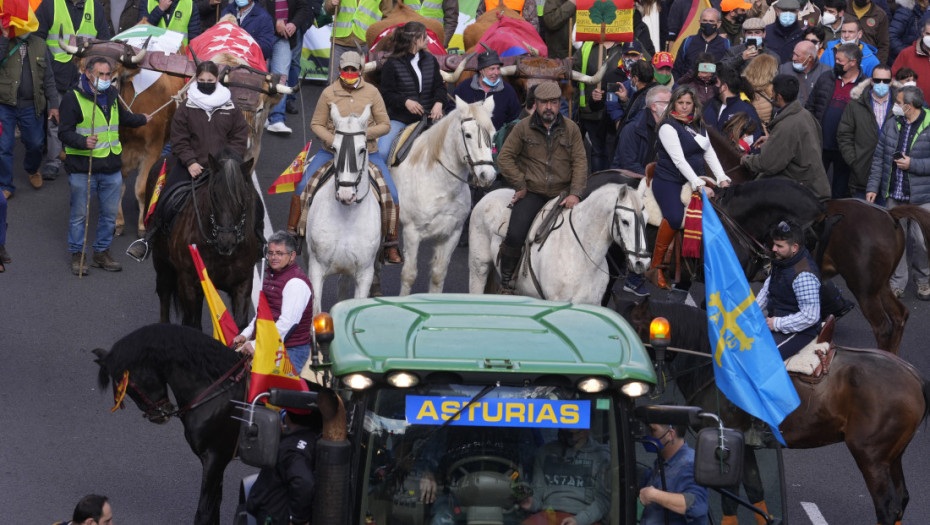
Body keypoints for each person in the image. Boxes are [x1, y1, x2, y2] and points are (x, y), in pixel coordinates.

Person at [127, 60, 251, 261]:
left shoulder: (231, 107)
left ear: (217, 79)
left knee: (247, 197)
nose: (205, 83)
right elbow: (178, 138)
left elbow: (239, 136)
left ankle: (259, 240)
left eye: (209, 80)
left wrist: (227, 163)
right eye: (201, 80)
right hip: (191, 165)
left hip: (223, 168)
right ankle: (149, 239)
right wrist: (191, 161)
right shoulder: (186, 107)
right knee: (165, 196)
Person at [292, 51, 400, 263]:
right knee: (303, 185)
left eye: (354, 69)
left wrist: (359, 137)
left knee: (392, 194)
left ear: (360, 70)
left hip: (367, 152)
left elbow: (385, 125)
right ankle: (293, 234)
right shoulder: (328, 93)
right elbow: (316, 124)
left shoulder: (372, 92)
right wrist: (335, 141)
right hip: (330, 152)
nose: (350, 73)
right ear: (340, 70)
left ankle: (391, 244)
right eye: (346, 69)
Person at [59, 57, 150, 276]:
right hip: (84, 168)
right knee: (80, 215)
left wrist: (143, 119)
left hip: (110, 167)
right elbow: (63, 132)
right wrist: (83, 142)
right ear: (89, 74)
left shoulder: (111, 94)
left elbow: (124, 117)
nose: (106, 79)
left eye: (109, 75)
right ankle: (78, 256)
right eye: (102, 75)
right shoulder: (73, 99)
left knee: (109, 216)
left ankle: (101, 253)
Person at [496, 81, 587, 293]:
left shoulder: (572, 129)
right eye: (544, 102)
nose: (549, 107)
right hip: (533, 192)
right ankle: (507, 280)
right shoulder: (522, 127)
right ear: (535, 103)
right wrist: (519, 184)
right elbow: (505, 157)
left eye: (554, 102)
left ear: (559, 103)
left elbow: (580, 162)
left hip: (563, 194)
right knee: (516, 232)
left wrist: (575, 193)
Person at [646, 85, 732, 290]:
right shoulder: (667, 126)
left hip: (695, 177)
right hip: (669, 181)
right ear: (674, 103)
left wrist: (721, 177)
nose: (684, 107)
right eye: (680, 103)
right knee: (675, 217)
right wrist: (699, 184)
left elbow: (709, 152)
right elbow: (679, 161)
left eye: (688, 103)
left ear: (694, 105)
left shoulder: (699, 124)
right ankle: (656, 266)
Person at [35, 0, 112, 183]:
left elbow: (104, 41)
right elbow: (37, 39)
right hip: (56, 74)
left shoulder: (96, 8)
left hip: (85, 76)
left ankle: (81, 158)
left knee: (83, 120)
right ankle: (53, 162)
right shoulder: (50, 5)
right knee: (55, 119)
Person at [866, 85, 930, 300]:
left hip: (923, 198)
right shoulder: (893, 124)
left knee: (921, 241)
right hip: (895, 195)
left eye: (898, 102)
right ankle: (897, 283)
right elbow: (879, 158)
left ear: (909, 107)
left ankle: (923, 280)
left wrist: (913, 164)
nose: (895, 105)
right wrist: (873, 187)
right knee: (896, 241)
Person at [612, 85, 672, 297]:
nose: (674, 107)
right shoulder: (632, 129)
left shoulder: (669, 128)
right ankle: (634, 278)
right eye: (668, 103)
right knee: (642, 223)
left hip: (655, 184)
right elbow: (629, 165)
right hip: (629, 185)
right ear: (655, 107)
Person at [742, 74, 832, 199]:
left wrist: (745, 159)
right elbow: (801, 141)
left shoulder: (787, 125)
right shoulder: (805, 114)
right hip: (813, 183)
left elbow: (768, 164)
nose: (771, 95)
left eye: (773, 92)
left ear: (779, 96)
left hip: (803, 190)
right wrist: (773, 140)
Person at [234, 231, 315, 370]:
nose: (273, 257)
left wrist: (255, 344)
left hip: (290, 351)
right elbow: (263, 314)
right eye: (270, 253)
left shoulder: (296, 283)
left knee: (273, 390)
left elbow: (287, 324)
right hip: (270, 342)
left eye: (279, 253)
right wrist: (245, 334)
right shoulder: (272, 277)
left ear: (292, 256)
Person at [0, 24, 60, 199]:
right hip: (4, 106)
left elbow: (48, 78)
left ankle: (32, 169)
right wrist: (3, 38)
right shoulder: (4, 41)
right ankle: (6, 184)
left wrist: (54, 105)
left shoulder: (40, 44)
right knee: (4, 147)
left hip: (31, 106)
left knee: (35, 143)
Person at [377, 22, 445, 165]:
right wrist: (405, 101)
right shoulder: (392, 64)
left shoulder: (430, 60)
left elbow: (440, 87)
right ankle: (382, 186)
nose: (427, 40)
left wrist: (439, 103)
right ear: (415, 39)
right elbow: (386, 94)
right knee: (382, 152)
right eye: (424, 36)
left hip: (429, 119)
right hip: (400, 119)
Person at [755, 219, 822, 358]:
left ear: (794, 247)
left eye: (779, 246)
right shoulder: (783, 262)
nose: (774, 249)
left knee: (762, 357)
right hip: (777, 318)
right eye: (774, 244)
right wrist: (750, 312)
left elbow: (810, 316)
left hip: (801, 331)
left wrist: (777, 323)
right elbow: (767, 290)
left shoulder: (804, 275)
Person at [806, 42, 866, 198]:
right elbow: (811, 106)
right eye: (836, 59)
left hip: (845, 149)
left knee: (840, 191)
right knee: (813, 188)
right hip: (821, 144)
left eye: (840, 61)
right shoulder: (826, 78)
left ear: (853, 63)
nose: (836, 63)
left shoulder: (864, 86)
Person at [519, 428, 611, 525]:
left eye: (569, 433)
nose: (563, 436)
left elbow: (603, 502)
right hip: (548, 514)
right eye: (561, 431)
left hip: (585, 517)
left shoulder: (601, 457)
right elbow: (538, 492)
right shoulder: (545, 452)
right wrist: (531, 502)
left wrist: (579, 520)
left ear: (584, 432)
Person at [245, 409, 318, 525]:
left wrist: (297, 520)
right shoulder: (313, 439)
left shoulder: (292, 450)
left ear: (288, 416)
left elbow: (304, 482)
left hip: (275, 518)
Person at [838, 65, 896, 200]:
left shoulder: (901, 105)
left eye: (886, 81)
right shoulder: (855, 105)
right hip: (862, 177)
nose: (881, 84)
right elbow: (844, 135)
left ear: (891, 82)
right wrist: (855, 161)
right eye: (877, 80)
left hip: (892, 179)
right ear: (871, 81)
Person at [639, 422, 709, 525]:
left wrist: (653, 495)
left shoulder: (688, 464)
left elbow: (696, 504)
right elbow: (655, 480)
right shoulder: (664, 460)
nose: (649, 435)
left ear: (670, 434)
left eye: (653, 430)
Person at [264, 0, 314, 135]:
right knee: (261, 75)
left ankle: (277, 119)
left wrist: (294, 24)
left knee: (281, 77)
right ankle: (262, 116)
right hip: (263, 35)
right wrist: (274, 23)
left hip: (284, 37)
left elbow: (304, 7)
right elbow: (255, 5)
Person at [575, 40, 626, 172]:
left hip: (617, 115)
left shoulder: (628, 41)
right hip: (591, 111)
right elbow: (575, 73)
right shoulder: (587, 46)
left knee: (616, 153)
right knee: (598, 152)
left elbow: (645, 65)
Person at [452, 47, 522, 130]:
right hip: (469, 139)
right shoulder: (464, 87)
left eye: (498, 68)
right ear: (481, 71)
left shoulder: (508, 91)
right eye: (492, 69)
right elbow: (451, 110)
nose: (496, 73)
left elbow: (515, 118)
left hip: (498, 140)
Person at [324, 0, 389, 82]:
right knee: (334, 81)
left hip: (365, 44)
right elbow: (328, 10)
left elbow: (388, 17)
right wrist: (331, 4)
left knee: (360, 83)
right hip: (339, 42)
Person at [703, 64, 763, 147]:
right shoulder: (709, 104)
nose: (712, 85)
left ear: (724, 87)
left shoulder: (747, 111)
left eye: (715, 82)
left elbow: (753, 146)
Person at [671, 8, 731, 80]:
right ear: (699, 22)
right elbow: (677, 68)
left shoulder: (725, 44)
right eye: (704, 21)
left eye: (711, 21)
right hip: (689, 88)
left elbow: (728, 70)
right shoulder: (688, 41)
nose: (707, 24)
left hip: (714, 89)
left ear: (718, 24)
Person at [221, 0, 275, 73]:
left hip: (251, 70)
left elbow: (267, 49)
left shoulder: (263, 17)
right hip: (226, 66)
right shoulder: (226, 12)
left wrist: (244, 41)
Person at [777, 40, 831, 106]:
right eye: (793, 54)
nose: (793, 58)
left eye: (797, 56)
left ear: (810, 58)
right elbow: (777, 98)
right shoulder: (784, 70)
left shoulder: (826, 72)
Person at [892, 19, 930, 98]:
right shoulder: (906, 54)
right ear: (922, 33)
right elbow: (894, 79)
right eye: (928, 34)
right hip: (912, 106)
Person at [137, 0, 202, 45]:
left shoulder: (189, 4)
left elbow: (194, 39)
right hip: (151, 57)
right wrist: (159, 9)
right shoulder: (147, 2)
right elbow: (140, 31)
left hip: (179, 59)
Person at [848, 0, 889, 64]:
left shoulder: (880, 15)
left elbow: (883, 46)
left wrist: (876, 67)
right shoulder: (843, 8)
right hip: (842, 58)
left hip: (867, 62)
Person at [742, 52, 778, 126]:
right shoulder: (772, 90)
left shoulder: (743, 87)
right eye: (775, 70)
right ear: (768, 72)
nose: (776, 72)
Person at [889, 0, 928, 65]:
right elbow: (892, 37)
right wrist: (908, 54)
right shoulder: (905, 12)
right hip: (902, 63)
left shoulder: (924, 13)